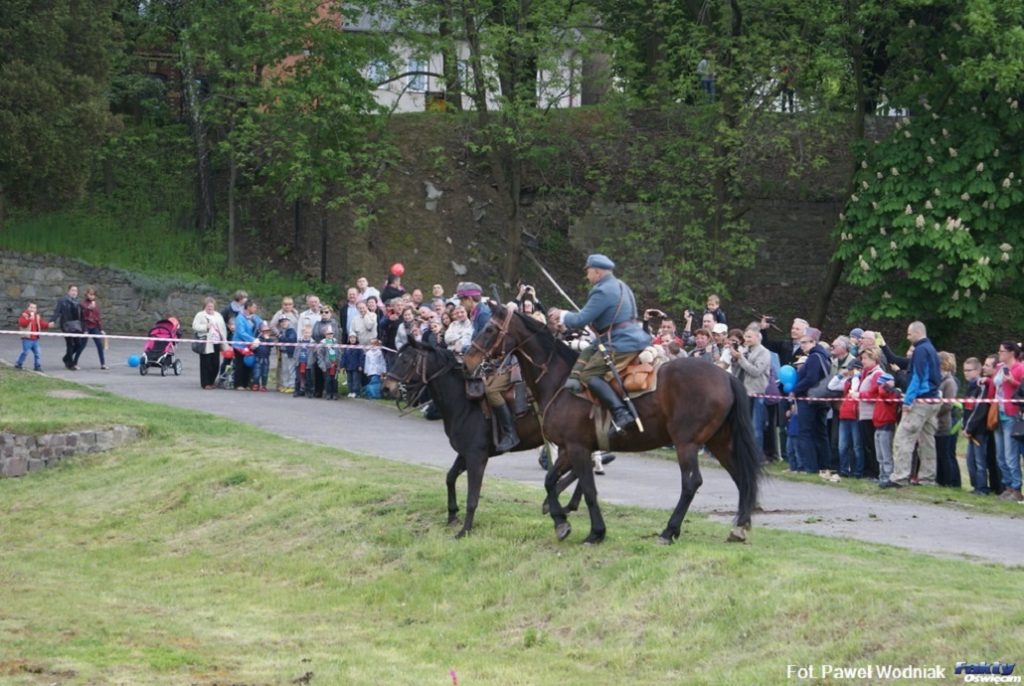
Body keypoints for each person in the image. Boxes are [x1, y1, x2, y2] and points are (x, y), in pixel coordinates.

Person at [548, 254, 652, 435]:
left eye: (588, 271)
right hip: (628, 336)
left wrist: (562, 314)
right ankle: (573, 384)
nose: (587, 276)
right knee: (588, 349)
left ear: (597, 271)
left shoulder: (602, 290)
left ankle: (621, 413)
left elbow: (581, 319)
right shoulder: (621, 285)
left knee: (588, 374)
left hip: (620, 342)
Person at [888, 321, 941, 487]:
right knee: (927, 440)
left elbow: (917, 376)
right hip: (932, 399)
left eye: (909, 334)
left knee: (903, 438)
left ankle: (900, 477)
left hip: (919, 400)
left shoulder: (920, 350)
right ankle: (927, 478)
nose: (907, 337)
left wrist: (908, 400)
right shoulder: (931, 349)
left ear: (917, 332)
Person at [790, 327, 830, 473]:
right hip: (820, 399)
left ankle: (810, 466)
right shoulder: (824, 356)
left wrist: (796, 389)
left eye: (805, 342)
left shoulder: (814, 357)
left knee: (805, 432)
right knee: (820, 432)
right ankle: (824, 464)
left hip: (809, 399)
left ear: (814, 342)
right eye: (801, 343)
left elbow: (811, 378)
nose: (802, 346)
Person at [732, 324, 771, 458]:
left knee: (755, 427)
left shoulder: (764, 352)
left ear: (757, 337)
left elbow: (756, 371)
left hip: (756, 392)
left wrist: (741, 359)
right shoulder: (744, 350)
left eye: (749, 337)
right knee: (743, 425)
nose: (746, 339)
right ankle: (742, 453)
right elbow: (737, 370)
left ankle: (756, 456)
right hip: (743, 391)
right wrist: (735, 359)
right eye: (745, 337)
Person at [993, 341, 1024, 500]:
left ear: (1011, 353)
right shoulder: (999, 367)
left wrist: (1013, 382)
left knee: (1010, 454)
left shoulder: (1020, 368)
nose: (1000, 354)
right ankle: (1007, 485)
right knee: (1000, 455)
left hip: (1011, 415)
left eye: (1002, 351)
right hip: (998, 413)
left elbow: (1022, 389)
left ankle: (1016, 488)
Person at [962, 356, 994, 494]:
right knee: (970, 461)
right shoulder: (970, 387)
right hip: (970, 430)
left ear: (978, 370)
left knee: (980, 462)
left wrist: (969, 428)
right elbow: (967, 410)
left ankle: (982, 487)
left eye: (969, 370)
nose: (966, 373)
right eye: (964, 370)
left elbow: (979, 410)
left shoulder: (981, 387)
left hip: (979, 430)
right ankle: (975, 486)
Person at [934, 351, 961, 487]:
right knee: (938, 454)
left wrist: (934, 411)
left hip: (944, 423)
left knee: (945, 454)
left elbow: (948, 404)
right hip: (935, 424)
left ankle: (950, 481)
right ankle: (940, 479)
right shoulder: (938, 380)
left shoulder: (950, 382)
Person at [191, 297, 228, 389]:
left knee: (215, 364)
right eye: (208, 306)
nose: (210, 308)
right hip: (206, 343)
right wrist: (205, 327)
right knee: (205, 364)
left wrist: (224, 340)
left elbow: (223, 328)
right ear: (205, 306)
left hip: (216, 342)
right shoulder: (200, 315)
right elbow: (195, 326)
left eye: (211, 306)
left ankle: (211, 381)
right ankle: (205, 383)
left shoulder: (218, 315)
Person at [51, 284, 86, 370]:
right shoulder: (63, 300)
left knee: (78, 344)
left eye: (76, 291)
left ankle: (66, 358)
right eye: (72, 290)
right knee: (70, 344)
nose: (74, 292)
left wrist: (84, 327)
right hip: (66, 325)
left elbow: (82, 315)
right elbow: (57, 311)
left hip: (77, 326)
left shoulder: (79, 302)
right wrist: (53, 320)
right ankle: (70, 364)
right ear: (68, 291)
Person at [270, 297, 299, 392]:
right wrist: (279, 334)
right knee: (282, 366)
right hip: (283, 343)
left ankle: (291, 385)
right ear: (282, 305)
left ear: (293, 305)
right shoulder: (279, 314)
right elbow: (272, 325)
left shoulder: (295, 313)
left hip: (294, 342)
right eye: (285, 304)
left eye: (290, 304)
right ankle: (281, 384)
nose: (287, 306)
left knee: (292, 366)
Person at [15, 302, 50, 371]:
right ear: (27, 308)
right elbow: (23, 324)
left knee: (38, 353)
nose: (32, 309)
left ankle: (37, 366)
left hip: (35, 339)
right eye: (31, 307)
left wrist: (48, 325)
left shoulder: (37, 316)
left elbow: (41, 323)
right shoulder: (24, 315)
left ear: (36, 309)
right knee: (25, 352)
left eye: (34, 308)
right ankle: (19, 363)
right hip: (27, 338)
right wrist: (29, 319)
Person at [78, 287, 106, 369]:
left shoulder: (96, 305)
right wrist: (89, 308)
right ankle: (74, 361)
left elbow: (98, 318)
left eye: (93, 295)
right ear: (86, 294)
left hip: (94, 327)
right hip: (86, 327)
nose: (92, 296)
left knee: (99, 345)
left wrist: (101, 329)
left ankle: (103, 364)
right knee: (82, 346)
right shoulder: (83, 303)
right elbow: (83, 316)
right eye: (90, 294)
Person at [317, 326, 341, 400]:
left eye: (331, 334)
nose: (330, 335)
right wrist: (322, 365)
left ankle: (334, 393)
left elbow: (339, 354)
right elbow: (320, 356)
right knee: (328, 380)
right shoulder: (323, 344)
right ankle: (328, 393)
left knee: (335, 380)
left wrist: (339, 364)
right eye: (328, 334)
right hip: (327, 366)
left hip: (335, 365)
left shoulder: (336, 343)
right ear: (325, 335)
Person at [251, 322, 275, 391]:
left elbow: (272, 345)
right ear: (261, 332)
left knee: (265, 373)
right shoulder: (257, 339)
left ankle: (263, 385)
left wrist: (267, 339)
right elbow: (253, 349)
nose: (266, 333)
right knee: (256, 372)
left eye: (267, 331)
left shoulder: (270, 340)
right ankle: (256, 384)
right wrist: (253, 347)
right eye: (264, 331)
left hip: (266, 359)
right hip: (258, 358)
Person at [276, 316, 297, 392]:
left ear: (288, 321)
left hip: (290, 353)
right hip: (283, 352)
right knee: (284, 370)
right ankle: (285, 385)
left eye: (285, 321)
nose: (283, 323)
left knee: (290, 369)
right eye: (281, 322)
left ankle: (292, 386)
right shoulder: (281, 331)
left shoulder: (291, 331)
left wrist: (281, 337)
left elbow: (290, 340)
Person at [294, 325, 315, 398]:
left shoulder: (313, 342)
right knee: (298, 378)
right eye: (305, 332)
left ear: (311, 333)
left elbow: (314, 353)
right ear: (303, 333)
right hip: (299, 362)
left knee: (308, 378)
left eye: (308, 333)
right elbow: (296, 351)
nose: (307, 334)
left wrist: (311, 361)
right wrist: (296, 359)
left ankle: (309, 391)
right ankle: (297, 391)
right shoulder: (299, 341)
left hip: (308, 362)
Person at [341, 334, 365, 398]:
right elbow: (344, 357)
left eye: (354, 338)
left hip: (356, 367)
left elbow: (361, 357)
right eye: (351, 338)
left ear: (356, 339)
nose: (352, 339)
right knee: (349, 380)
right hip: (348, 367)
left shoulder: (359, 347)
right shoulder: (347, 347)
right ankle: (350, 391)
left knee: (356, 380)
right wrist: (343, 365)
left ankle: (356, 392)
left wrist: (360, 365)